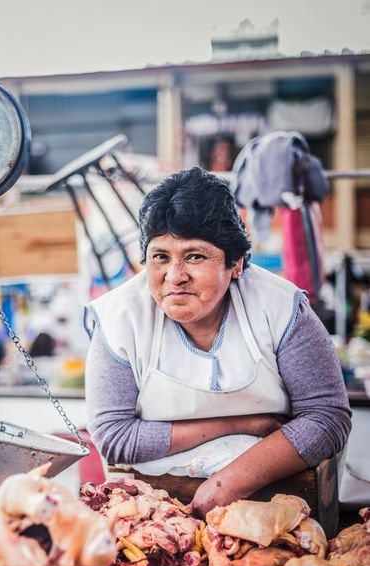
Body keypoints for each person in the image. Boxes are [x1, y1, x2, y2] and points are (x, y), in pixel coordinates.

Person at [84, 167, 351, 517]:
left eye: (195, 256)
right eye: (160, 256)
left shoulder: (280, 307)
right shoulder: (120, 320)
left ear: (235, 264)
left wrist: (227, 484)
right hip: (155, 512)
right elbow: (114, 438)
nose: (175, 276)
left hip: (288, 503)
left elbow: (327, 417)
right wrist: (239, 424)